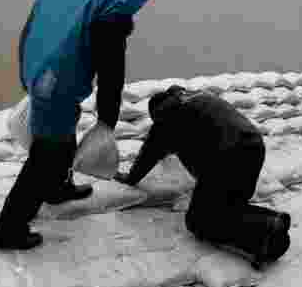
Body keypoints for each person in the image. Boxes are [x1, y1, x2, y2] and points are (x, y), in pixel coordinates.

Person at [0, 0, 152, 250]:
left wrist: (26, 75)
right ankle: (9, 228)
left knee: (64, 132)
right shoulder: (111, 0)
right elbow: (111, 70)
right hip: (56, 82)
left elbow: (27, 33)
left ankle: (56, 189)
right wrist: (107, 120)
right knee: (49, 155)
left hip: (37, 71)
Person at [114, 85, 291, 267]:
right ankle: (269, 236)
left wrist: (129, 178)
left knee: (198, 220)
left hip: (226, 155)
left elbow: (148, 155)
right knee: (230, 206)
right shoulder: (198, 98)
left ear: (157, 114)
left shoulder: (166, 120)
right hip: (254, 147)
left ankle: (268, 224)